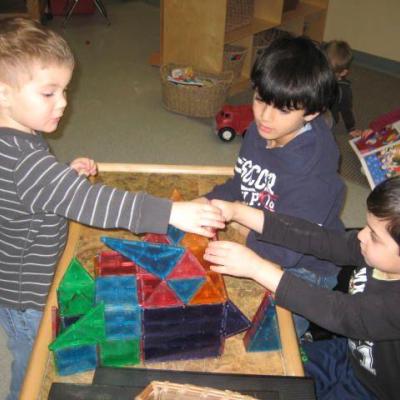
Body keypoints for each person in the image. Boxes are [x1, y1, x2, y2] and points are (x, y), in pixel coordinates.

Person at [0, 17, 225, 400]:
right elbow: (94, 203)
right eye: (49, 93)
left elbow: (29, 192)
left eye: (65, 90)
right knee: (32, 364)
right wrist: (171, 213)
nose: (65, 102)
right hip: (30, 296)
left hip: (12, 277)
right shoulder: (26, 163)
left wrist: (61, 178)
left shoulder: (16, 145)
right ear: (3, 94)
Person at [197, 35, 345, 337]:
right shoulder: (261, 131)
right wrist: (208, 202)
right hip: (264, 231)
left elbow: (289, 250)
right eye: (261, 99)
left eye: (284, 109)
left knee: (268, 336)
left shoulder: (315, 174)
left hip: (306, 268)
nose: (265, 116)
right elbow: (243, 183)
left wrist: (240, 230)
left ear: (312, 112)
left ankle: (298, 341)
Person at [204, 176, 400, 400]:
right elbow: (318, 239)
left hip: (377, 390)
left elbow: (341, 314)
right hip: (349, 354)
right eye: (367, 226)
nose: (362, 235)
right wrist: (239, 212)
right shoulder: (371, 250)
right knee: (274, 380)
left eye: (374, 236)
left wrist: (257, 268)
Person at [322, 40, 370, 138]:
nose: (325, 75)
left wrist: (351, 128)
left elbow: (346, 110)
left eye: (330, 72)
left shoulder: (343, 90)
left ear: (343, 72)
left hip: (327, 117)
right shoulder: (319, 75)